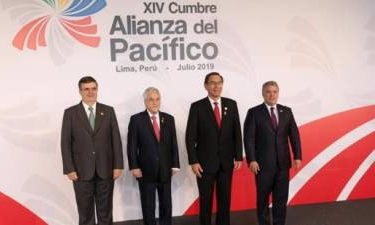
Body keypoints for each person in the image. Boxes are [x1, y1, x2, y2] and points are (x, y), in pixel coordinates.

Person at [61, 76, 123, 225]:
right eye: (86, 89)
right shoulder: (70, 113)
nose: (90, 92)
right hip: (81, 172)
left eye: (93, 88)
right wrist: (69, 168)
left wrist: (118, 166)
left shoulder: (108, 111)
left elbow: (116, 140)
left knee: (105, 213)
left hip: (106, 171)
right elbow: (65, 143)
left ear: (97, 90)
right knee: (85, 214)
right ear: (80, 91)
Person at [185, 72, 243, 225]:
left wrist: (238, 156)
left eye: (219, 82)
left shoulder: (231, 104)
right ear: (206, 86)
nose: (216, 86)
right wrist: (193, 161)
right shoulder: (197, 107)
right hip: (204, 164)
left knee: (225, 200)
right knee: (206, 202)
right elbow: (190, 137)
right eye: (212, 83)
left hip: (226, 162)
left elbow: (237, 132)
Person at [243, 81, 302, 225]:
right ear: (263, 94)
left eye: (275, 91)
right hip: (262, 166)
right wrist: (251, 159)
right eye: (268, 91)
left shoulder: (286, 111)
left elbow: (294, 136)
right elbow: (249, 138)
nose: (272, 95)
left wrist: (298, 156)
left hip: (283, 165)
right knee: (262, 200)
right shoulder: (254, 112)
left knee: (281, 200)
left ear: (278, 93)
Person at [127, 87, 180, 225]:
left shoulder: (169, 119)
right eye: (151, 99)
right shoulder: (136, 119)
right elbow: (131, 145)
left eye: (157, 99)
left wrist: (175, 164)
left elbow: (173, 143)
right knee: (148, 206)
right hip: (145, 171)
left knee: (166, 205)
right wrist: (134, 166)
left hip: (165, 170)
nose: (155, 102)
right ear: (145, 102)